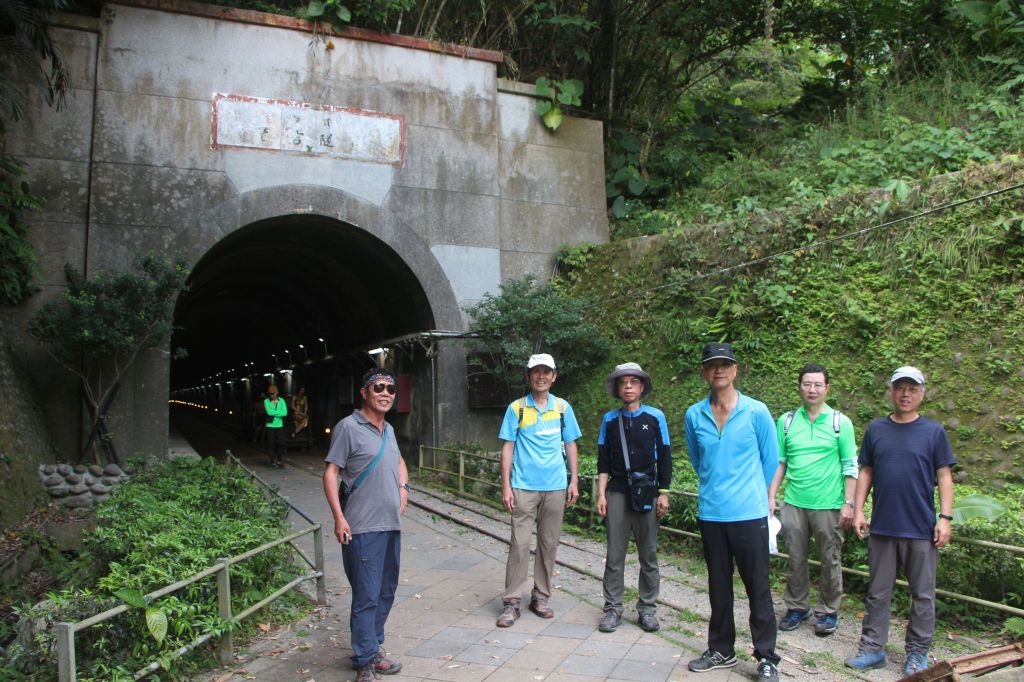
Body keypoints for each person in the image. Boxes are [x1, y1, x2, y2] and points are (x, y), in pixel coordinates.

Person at [845, 366, 955, 676]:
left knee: (922, 594)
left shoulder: (933, 431)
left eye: (912, 388)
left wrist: (944, 518)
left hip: (920, 527)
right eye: (900, 388)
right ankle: (872, 648)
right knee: (878, 592)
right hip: (883, 526)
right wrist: (858, 509)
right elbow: (866, 471)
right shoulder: (877, 429)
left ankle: (917, 654)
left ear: (922, 393)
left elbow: (944, 476)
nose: (905, 394)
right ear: (892, 391)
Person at [684, 342, 781, 682]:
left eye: (726, 364)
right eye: (713, 365)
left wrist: (757, 494)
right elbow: (699, 461)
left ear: (736, 370)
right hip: (712, 514)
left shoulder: (756, 412)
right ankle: (722, 649)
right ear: (704, 372)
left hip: (750, 515)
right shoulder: (694, 415)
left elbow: (770, 460)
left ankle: (767, 656)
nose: (719, 370)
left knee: (758, 588)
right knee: (718, 586)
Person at [323, 367, 410, 682]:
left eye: (390, 388)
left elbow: (399, 460)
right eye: (379, 388)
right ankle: (364, 663)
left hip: (390, 526)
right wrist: (338, 517)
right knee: (366, 595)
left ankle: (373, 649)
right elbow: (332, 472)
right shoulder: (348, 427)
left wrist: (403, 487)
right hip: (361, 528)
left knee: (385, 591)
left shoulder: (388, 429)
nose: (386, 393)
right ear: (364, 392)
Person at [767, 363, 858, 637]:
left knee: (830, 558)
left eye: (818, 384)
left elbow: (850, 466)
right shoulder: (787, 421)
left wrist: (849, 504)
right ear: (799, 387)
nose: (812, 389)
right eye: (807, 384)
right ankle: (797, 606)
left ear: (827, 388)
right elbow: (780, 462)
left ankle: (828, 611)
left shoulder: (840, 423)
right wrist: (771, 495)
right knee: (795, 557)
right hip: (794, 501)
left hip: (829, 504)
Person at [496, 353, 582, 627]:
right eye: (536, 372)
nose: (541, 376)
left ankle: (541, 596)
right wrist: (506, 485)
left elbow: (570, 445)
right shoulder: (517, 408)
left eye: (546, 372)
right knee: (519, 544)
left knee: (548, 544)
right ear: (528, 376)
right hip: (523, 487)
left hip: (556, 486)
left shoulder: (563, 408)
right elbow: (507, 447)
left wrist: (574, 481)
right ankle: (511, 601)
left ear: (554, 376)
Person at [596, 362, 672, 633]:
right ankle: (613, 608)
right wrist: (601, 494)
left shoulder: (655, 417)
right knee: (614, 553)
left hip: (648, 490)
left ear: (642, 387)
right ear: (617, 388)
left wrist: (664, 492)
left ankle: (648, 608)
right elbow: (603, 460)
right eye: (623, 382)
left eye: (633, 381)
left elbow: (664, 456)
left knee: (648, 553)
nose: (628, 386)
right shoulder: (608, 420)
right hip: (617, 491)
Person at [264, 385, 287, 468]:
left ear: (277, 393)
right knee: (271, 444)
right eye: (270, 394)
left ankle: (279, 460)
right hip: (270, 425)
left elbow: (285, 413)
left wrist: (274, 412)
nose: (271, 395)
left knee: (282, 443)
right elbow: (269, 412)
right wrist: (278, 413)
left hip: (279, 425)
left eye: (273, 394)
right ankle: (272, 461)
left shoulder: (282, 401)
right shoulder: (266, 401)